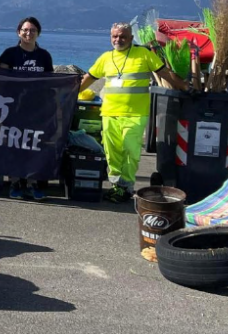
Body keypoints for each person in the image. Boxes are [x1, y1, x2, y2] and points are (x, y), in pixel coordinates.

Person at [80, 22, 187, 203]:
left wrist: (185, 88)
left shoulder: (143, 54)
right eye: (114, 36)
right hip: (110, 113)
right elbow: (88, 79)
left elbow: (165, 74)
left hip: (135, 114)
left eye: (122, 36)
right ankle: (116, 186)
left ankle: (126, 186)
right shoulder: (106, 58)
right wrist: (66, 94)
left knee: (130, 149)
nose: (118, 39)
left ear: (130, 38)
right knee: (112, 151)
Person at [0, 16, 55, 200]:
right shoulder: (9, 54)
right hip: (13, 108)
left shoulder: (44, 56)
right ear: (18, 32)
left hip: (37, 110)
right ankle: (15, 183)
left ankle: (32, 183)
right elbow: (1, 81)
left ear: (38, 33)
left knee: (34, 145)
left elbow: (50, 82)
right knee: (14, 146)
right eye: (25, 30)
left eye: (32, 30)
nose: (28, 33)